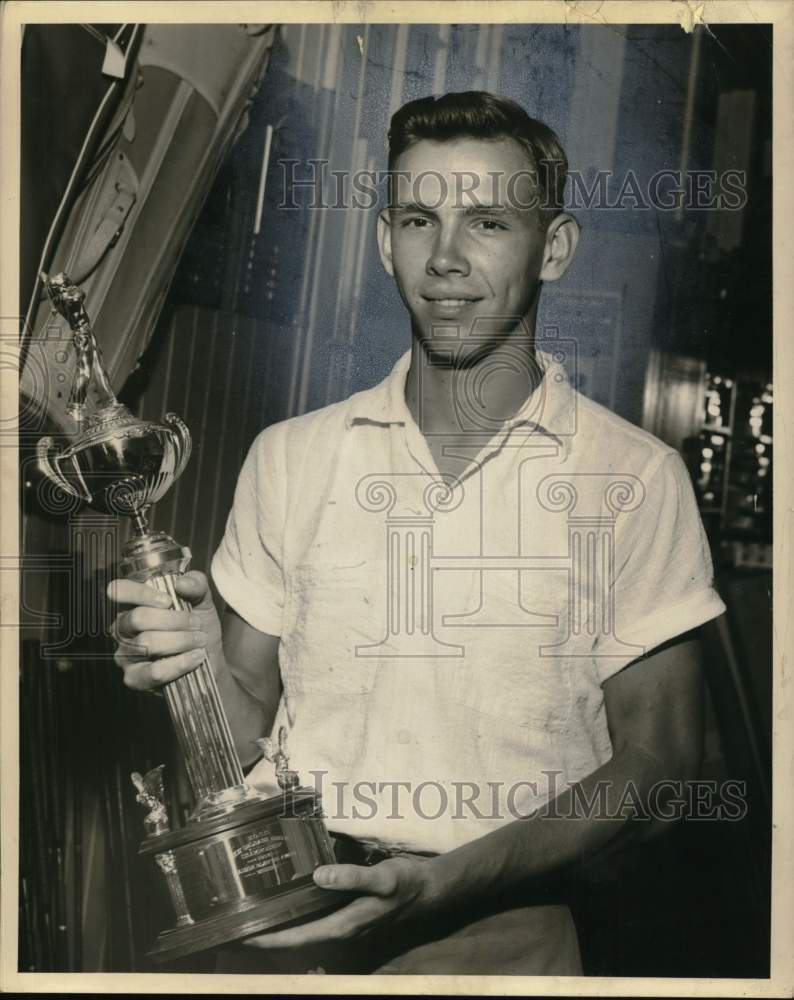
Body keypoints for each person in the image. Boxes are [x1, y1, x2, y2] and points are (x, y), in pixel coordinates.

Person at [108, 92, 726, 975]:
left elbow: (661, 769)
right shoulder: (293, 458)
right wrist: (193, 664)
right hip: (295, 920)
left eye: (487, 222)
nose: (445, 258)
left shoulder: (632, 478)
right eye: (417, 219)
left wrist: (440, 885)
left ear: (554, 247)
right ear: (381, 240)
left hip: (510, 937)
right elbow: (243, 748)